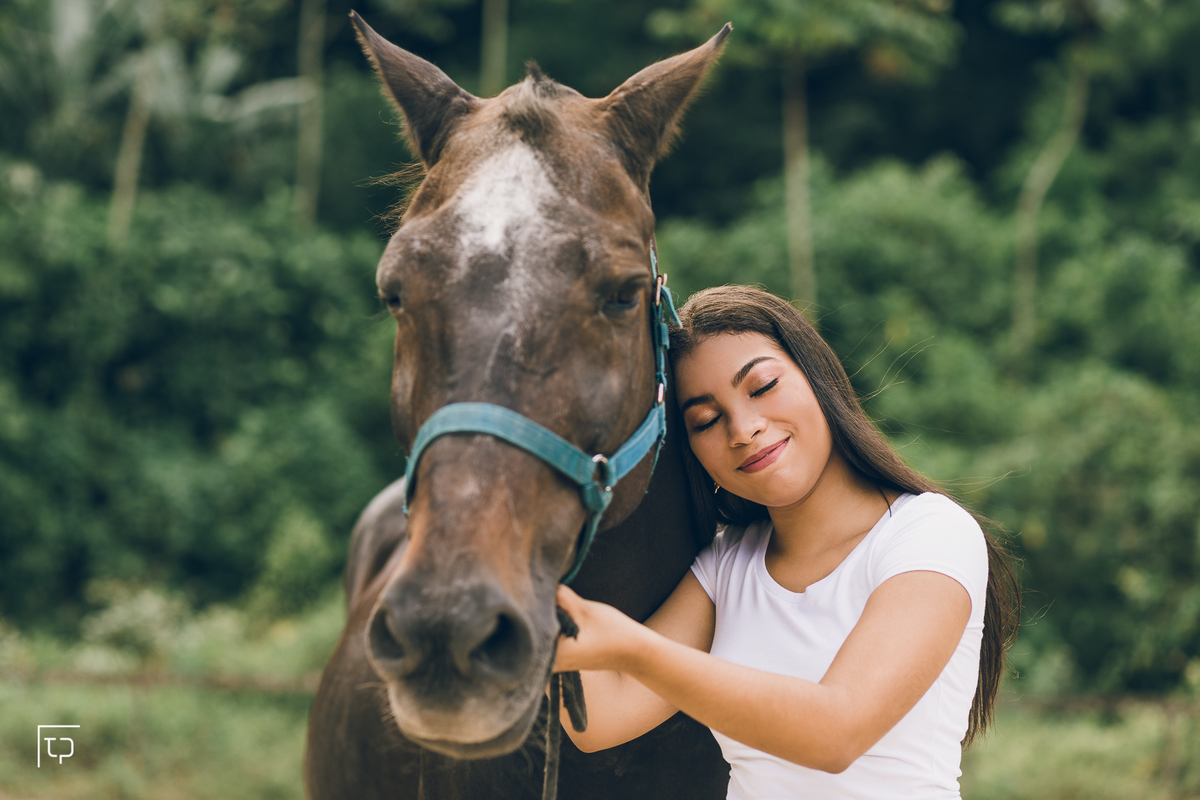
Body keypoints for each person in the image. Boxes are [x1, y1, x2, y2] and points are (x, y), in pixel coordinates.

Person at [553, 285, 1020, 799]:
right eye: (706, 420)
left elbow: (836, 731)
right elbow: (599, 717)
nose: (743, 429)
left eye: (762, 386)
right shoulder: (728, 563)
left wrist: (632, 647)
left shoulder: (928, 533)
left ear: (817, 379)